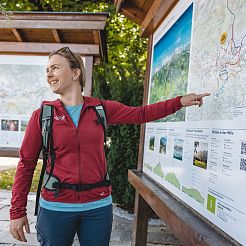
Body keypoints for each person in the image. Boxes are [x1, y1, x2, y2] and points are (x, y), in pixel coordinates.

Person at [9, 46, 210, 246]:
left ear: (75, 72)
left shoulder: (100, 109)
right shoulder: (43, 115)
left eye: (55, 68)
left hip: (97, 206)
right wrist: (17, 211)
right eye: (47, 70)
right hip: (56, 207)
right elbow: (26, 164)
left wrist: (179, 102)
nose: (49, 74)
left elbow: (141, 114)